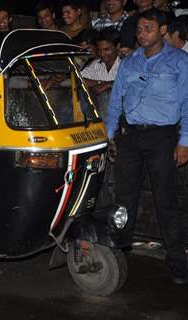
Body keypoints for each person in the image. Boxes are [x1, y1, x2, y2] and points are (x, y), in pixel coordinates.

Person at [106, 8, 188, 285]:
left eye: (148, 29)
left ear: (163, 30)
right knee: (124, 198)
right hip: (129, 136)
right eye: (139, 29)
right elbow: (116, 100)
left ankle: (177, 261)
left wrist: (184, 141)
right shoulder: (129, 63)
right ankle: (118, 255)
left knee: (166, 200)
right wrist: (110, 135)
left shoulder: (179, 61)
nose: (142, 34)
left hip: (163, 138)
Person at [81, 27, 120, 118]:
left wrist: (108, 85)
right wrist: (99, 83)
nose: (102, 54)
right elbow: (79, 79)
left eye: (106, 49)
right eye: (99, 50)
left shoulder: (126, 64)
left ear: (117, 46)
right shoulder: (95, 65)